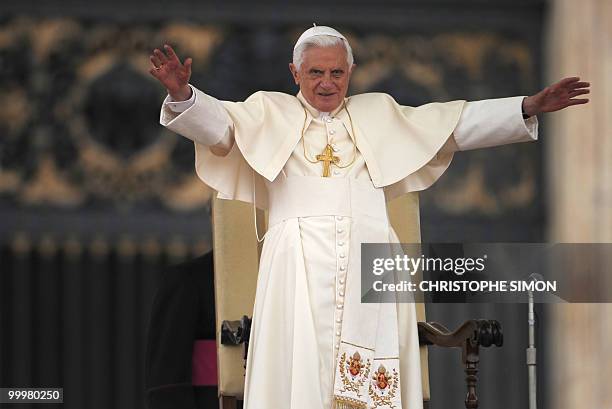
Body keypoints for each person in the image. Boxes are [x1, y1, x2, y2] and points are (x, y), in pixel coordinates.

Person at [149, 26, 589, 409]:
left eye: (336, 72)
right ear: (294, 73)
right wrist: (182, 94)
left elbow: (455, 125)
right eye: (315, 72)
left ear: (350, 73)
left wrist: (526, 106)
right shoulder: (267, 112)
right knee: (298, 370)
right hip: (294, 263)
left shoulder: (378, 114)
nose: (326, 83)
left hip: (368, 265)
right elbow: (220, 127)